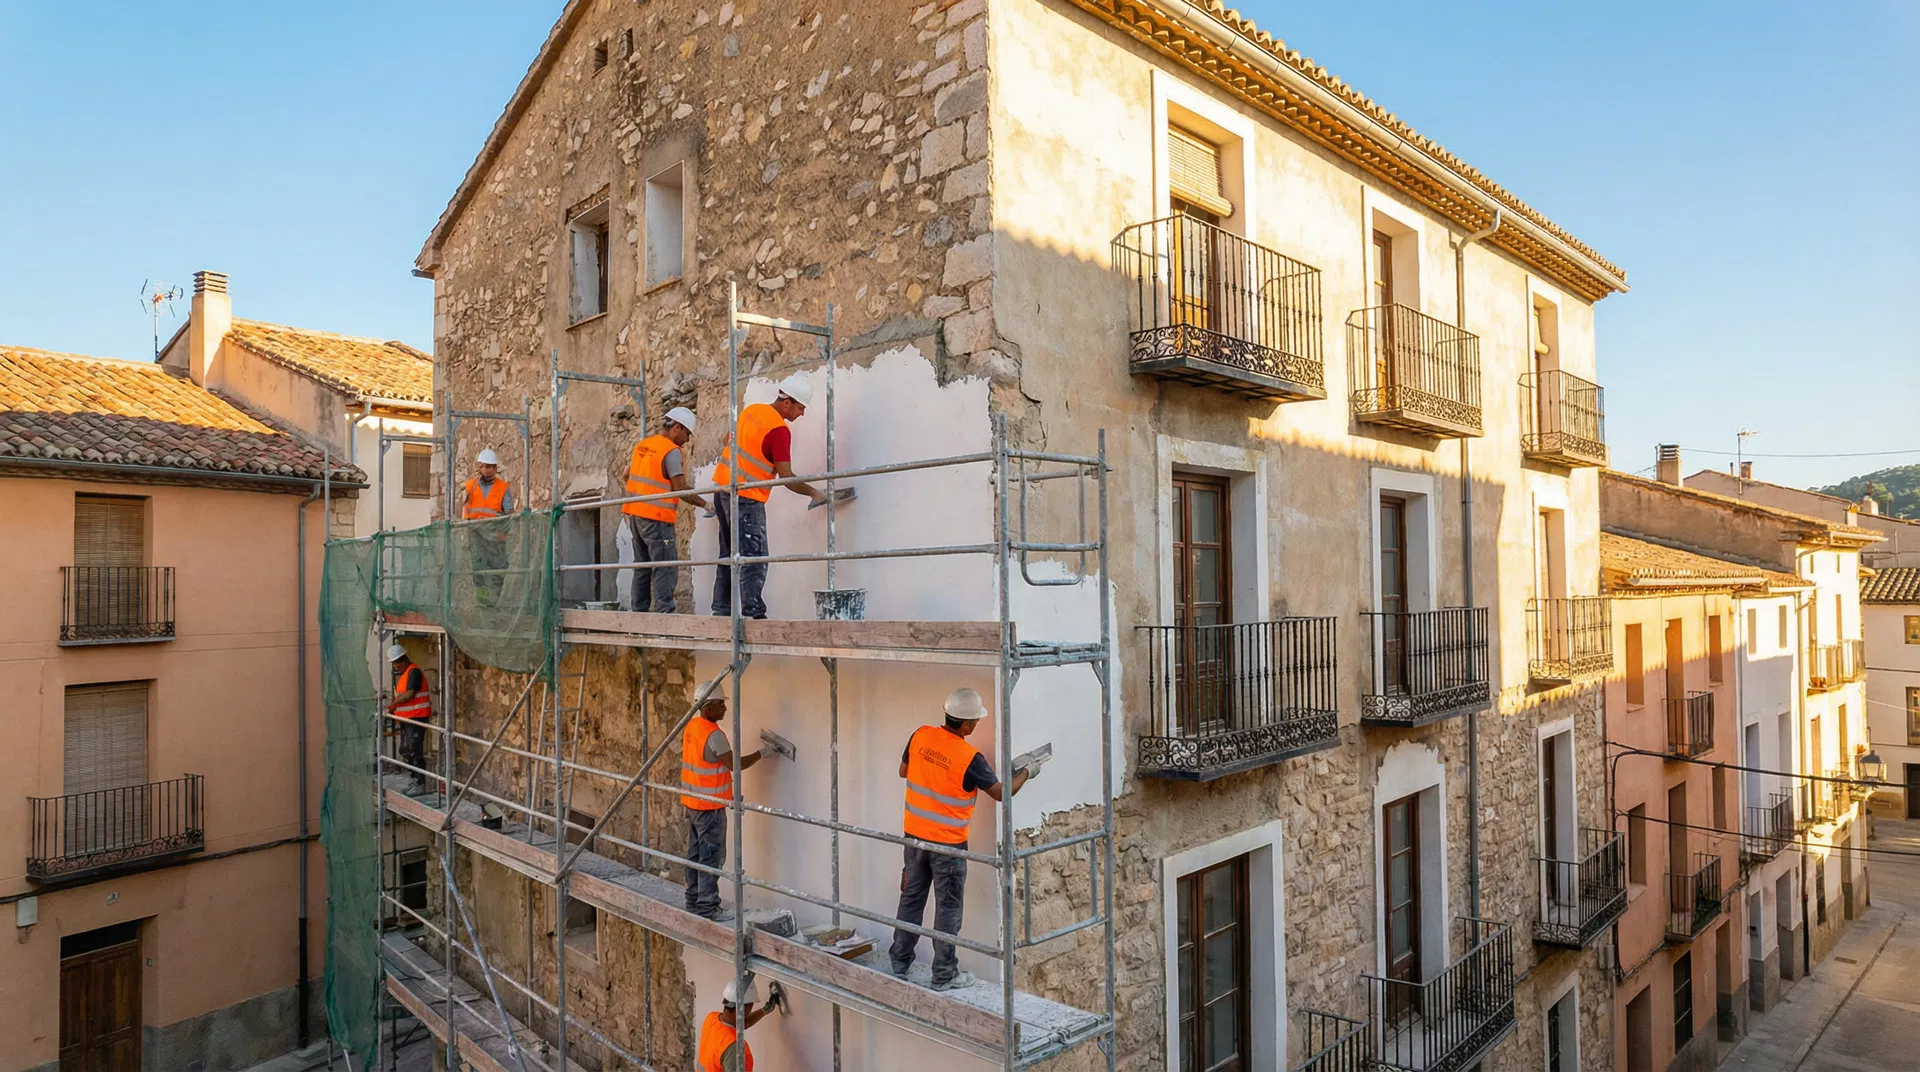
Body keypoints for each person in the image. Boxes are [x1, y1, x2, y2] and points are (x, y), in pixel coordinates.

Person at [890, 687, 1034, 991]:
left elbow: (904, 771)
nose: (977, 725)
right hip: (948, 848)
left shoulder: (921, 735)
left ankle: (899, 962)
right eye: (976, 721)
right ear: (967, 725)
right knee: (948, 908)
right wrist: (1027, 772)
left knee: (911, 898)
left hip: (914, 839)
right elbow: (1002, 794)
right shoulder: (970, 758)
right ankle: (944, 974)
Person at [708, 373, 832, 619]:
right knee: (754, 556)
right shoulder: (779, 430)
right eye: (800, 408)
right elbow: (785, 475)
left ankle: (721, 610)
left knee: (728, 554)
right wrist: (814, 493)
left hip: (722, 491)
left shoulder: (751, 411)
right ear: (787, 402)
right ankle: (754, 614)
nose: (802, 414)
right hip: (747, 498)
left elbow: (726, 440)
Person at [682, 680, 764, 921]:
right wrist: (762, 754)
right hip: (710, 807)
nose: (725, 708)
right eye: (720, 704)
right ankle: (707, 907)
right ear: (708, 707)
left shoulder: (692, 727)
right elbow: (735, 765)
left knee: (695, 854)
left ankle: (693, 900)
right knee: (711, 857)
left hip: (693, 803)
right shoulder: (714, 735)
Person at [623, 407, 707, 613]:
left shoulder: (643, 445)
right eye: (687, 433)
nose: (687, 440)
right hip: (657, 518)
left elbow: (627, 475)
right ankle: (665, 614)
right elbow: (680, 488)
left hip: (636, 515)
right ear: (677, 427)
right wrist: (705, 504)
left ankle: (639, 613)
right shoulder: (671, 451)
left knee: (642, 566)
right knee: (665, 566)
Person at [462, 448, 515, 606]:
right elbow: (466, 509)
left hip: (495, 535)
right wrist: (466, 527)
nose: (486, 470)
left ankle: (495, 600)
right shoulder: (471, 486)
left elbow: (509, 514)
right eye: (484, 466)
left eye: (490, 466)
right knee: (478, 568)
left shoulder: (503, 488)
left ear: (495, 468)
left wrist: (504, 532)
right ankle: (483, 601)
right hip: (476, 533)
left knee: (498, 568)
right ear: (480, 467)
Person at [696, 976, 784, 1072]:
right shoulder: (734, 1048)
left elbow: (738, 1023)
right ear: (746, 1007)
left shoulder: (711, 1019)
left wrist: (764, 1011)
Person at [387, 644, 433, 789]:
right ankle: (415, 779)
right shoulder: (404, 675)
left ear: (404, 660)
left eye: (397, 662)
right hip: (407, 719)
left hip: (417, 717)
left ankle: (419, 782)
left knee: (414, 750)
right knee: (405, 750)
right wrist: (394, 707)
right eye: (393, 663)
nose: (395, 666)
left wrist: (393, 704)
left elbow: (409, 694)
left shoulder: (414, 672)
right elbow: (402, 695)